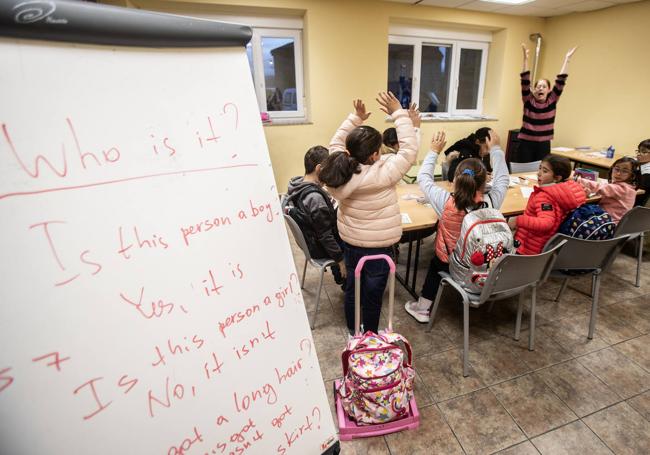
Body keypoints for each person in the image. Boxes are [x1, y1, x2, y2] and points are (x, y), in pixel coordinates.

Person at [319, 93, 417, 334]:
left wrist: (355, 118)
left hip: (352, 244)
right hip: (381, 248)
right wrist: (400, 115)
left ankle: (354, 333)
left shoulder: (339, 169)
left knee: (353, 290)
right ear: (374, 155)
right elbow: (408, 152)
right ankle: (370, 336)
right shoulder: (385, 173)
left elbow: (336, 141)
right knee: (373, 297)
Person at [404, 130, 509, 323]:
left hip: (452, 263)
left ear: (456, 179)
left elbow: (424, 178)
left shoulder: (445, 201)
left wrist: (434, 151)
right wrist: (496, 149)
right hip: (482, 265)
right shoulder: (492, 200)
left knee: (436, 263)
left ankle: (423, 308)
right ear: (485, 179)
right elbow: (503, 178)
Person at [286, 146, 346, 286]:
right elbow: (326, 235)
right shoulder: (314, 198)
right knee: (357, 243)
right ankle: (345, 279)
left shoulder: (298, 184)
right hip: (322, 247)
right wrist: (340, 260)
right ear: (319, 169)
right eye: (329, 170)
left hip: (314, 241)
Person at [509, 155, 586, 255]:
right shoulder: (561, 193)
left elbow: (546, 223)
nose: (539, 173)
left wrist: (518, 220)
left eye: (545, 171)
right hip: (542, 245)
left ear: (557, 178)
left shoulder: (544, 197)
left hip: (528, 247)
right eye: (539, 168)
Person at [516, 44, 577, 163]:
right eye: (538, 86)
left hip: (543, 144)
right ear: (533, 90)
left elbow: (561, 81)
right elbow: (525, 80)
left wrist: (567, 59)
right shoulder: (529, 101)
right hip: (526, 144)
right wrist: (525, 59)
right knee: (521, 171)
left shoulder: (552, 100)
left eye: (544, 86)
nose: (540, 89)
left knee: (542, 171)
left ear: (549, 90)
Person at [575, 156, 638, 223]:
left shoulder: (623, 189)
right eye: (617, 169)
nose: (618, 173)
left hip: (607, 223)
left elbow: (600, 187)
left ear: (632, 175)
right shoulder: (629, 187)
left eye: (625, 171)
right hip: (610, 222)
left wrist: (576, 179)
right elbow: (605, 190)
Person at [636, 139, 650, 206]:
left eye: (644, 152)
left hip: (636, 204)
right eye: (638, 151)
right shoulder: (642, 164)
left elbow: (642, 191)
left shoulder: (648, 171)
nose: (639, 154)